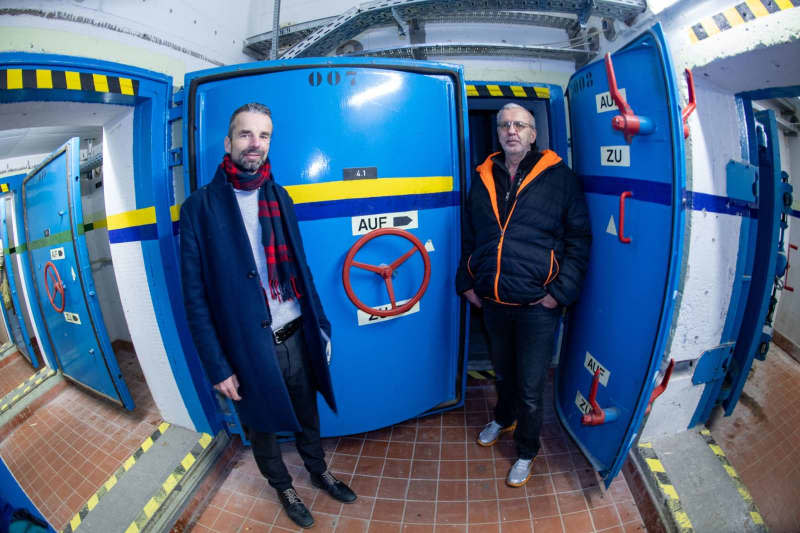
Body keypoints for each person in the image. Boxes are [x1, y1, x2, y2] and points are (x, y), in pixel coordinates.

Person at [180, 102, 356, 529]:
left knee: (307, 413)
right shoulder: (200, 208)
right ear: (228, 141)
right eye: (245, 134)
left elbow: (300, 266)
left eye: (263, 136)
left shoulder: (279, 195)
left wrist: (320, 326)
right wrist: (218, 366)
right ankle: (283, 486)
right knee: (260, 425)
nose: (254, 144)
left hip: (295, 330)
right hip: (247, 345)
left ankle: (318, 471)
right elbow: (195, 296)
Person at [455, 102, 592, 487]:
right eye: (505, 125)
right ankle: (503, 416)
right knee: (504, 375)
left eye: (520, 125)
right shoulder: (483, 177)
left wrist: (558, 293)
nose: (511, 130)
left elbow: (579, 240)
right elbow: (472, 235)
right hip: (494, 302)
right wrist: (467, 282)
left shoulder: (559, 177)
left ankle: (527, 450)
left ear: (533, 134)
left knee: (531, 387)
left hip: (537, 306)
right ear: (498, 133)